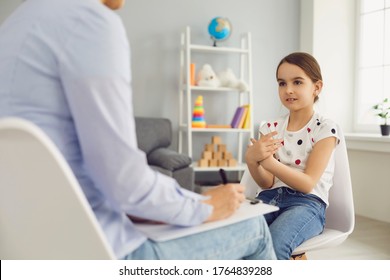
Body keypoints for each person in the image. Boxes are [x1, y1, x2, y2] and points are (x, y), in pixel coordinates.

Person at [0, 0, 276, 260]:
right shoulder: (89, 21)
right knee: (255, 227)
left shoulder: (15, 25)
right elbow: (124, 182)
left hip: (36, 252)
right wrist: (204, 205)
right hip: (105, 253)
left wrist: (167, 206)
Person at [245, 52, 340, 260]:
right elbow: (267, 182)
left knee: (275, 244)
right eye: (282, 83)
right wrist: (252, 161)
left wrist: (268, 162)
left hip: (307, 204)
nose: (288, 90)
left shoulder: (325, 129)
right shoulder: (269, 127)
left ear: (317, 87)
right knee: (240, 238)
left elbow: (307, 184)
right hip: (269, 198)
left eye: (297, 82)